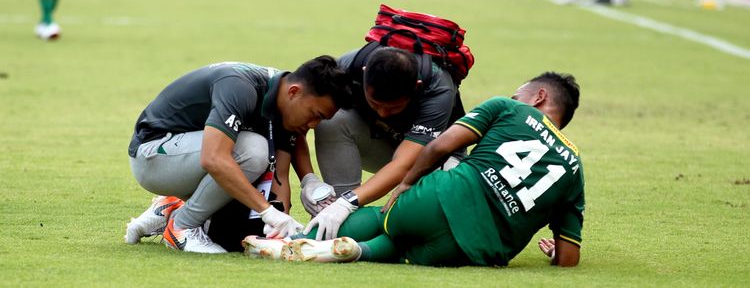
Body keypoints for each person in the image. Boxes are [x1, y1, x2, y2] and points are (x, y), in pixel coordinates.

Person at [246, 72, 584, 268]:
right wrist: (556, 254)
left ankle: (295, 241)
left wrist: (405, 186)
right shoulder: (575, 169)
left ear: (538, 96)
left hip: (439, 199)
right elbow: (569, 257)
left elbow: (439, 146)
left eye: (519, 92)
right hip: (477, 251)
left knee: (385, 219)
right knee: (406, 247)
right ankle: (355, 251)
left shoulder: (508, 108)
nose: (515, 95)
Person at [125, 56, 353, 253]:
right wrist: (267, 212)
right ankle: (182, 226)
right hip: (151, 156)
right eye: (315, 114)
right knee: (252, 150)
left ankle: (170, 206)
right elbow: (213, 158)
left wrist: (280, 229)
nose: (313, 125)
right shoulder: (239, 87)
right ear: (294, 92)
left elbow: (279, 177)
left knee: (238, 226)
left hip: (182, 156)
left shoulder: (283, 99)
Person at [302, 45, 461, 241]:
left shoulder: (438, 87)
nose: (383, 113)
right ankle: (337, 217)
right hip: (380, 141)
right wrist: (308, 179)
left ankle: (347, 207)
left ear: (416, 86)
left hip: (432, 159)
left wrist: (348, 202)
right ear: (364, 74)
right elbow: (300, 113)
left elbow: (404, 164)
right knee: (331, 120)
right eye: (375, 103)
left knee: (435, 220)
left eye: (394, 107)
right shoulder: (347, 67)